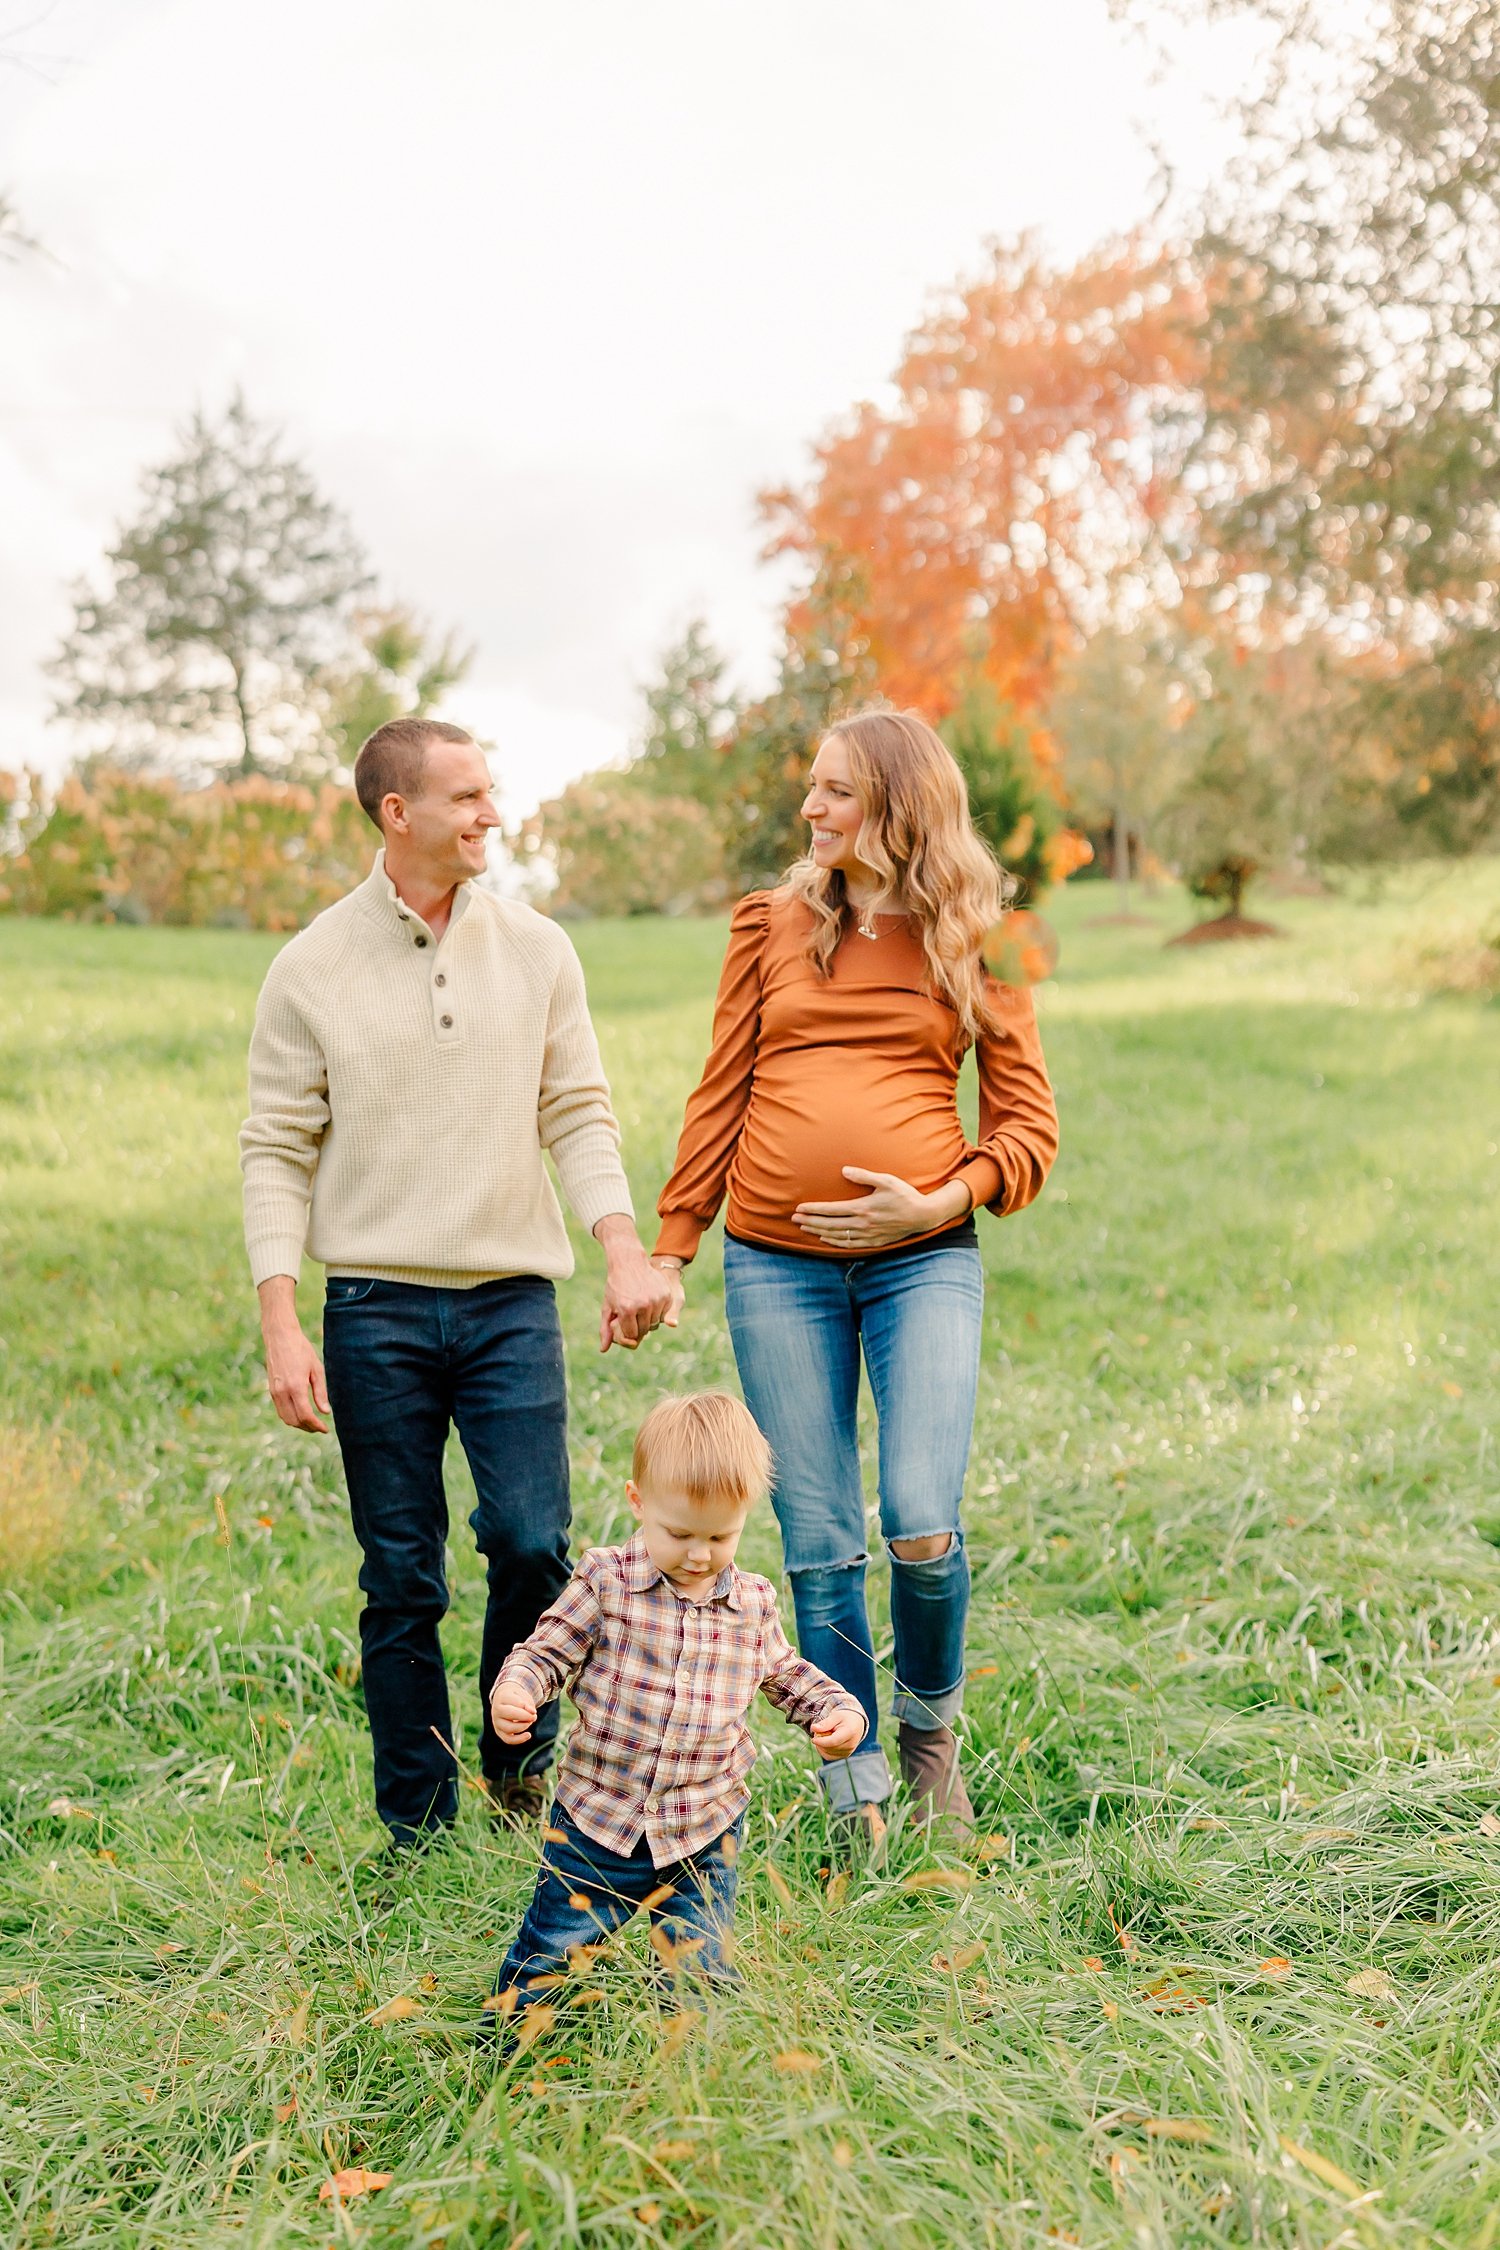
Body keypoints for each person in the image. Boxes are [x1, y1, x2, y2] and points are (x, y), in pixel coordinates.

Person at [238, 717, 676, 1849]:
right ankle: (418, 1825)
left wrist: (623, 1246)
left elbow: (577, 1110)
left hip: (508, 1303)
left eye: (492, 791)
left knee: (533, 1541)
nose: (492, 813)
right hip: (372, 1307)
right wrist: (282, 1322)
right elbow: (275, 1149)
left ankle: (517, 1764)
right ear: (398, 813)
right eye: (468, 796)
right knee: (401, 1576)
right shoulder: (311, 967)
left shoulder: (537, 951)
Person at [649, 708, 1059, 1840]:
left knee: (921, 1519)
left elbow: (1026, 1127)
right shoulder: (768, 925)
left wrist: (940, 1198)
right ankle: (856, 1783)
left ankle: (929, 1729)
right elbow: (719, 1089)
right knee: (820, 1539)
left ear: (897, 804)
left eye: (833, 791)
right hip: (776, 1266)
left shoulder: (984, 937)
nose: (810, 809)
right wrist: (673, 1244)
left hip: (923, 1262)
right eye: (813, 789)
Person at [484, 1391, 866, 2026]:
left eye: (721, 1535)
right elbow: (544, 1652)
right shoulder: (604, 1581)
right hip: (597, 1824)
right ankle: (513, 2050)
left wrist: (838, 1714)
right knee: (552, 1954)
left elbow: (785, 1673)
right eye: (680, 1533)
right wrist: (517, 1689)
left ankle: (691, 2075)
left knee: (699, 1970)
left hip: (704, 1828)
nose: (698, 1555)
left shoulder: (751, 1602)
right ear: (639, 1503)